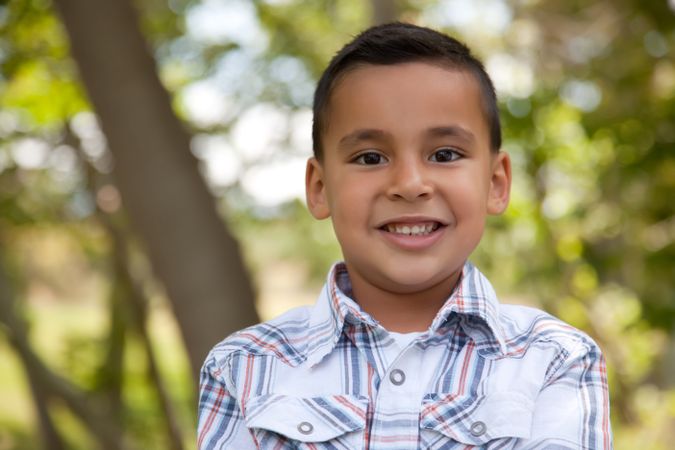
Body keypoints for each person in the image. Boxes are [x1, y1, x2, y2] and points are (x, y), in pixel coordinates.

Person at [197, 22, 612, 449]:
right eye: (371, 157)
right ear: (320, 189)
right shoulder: (245, 367)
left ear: (496, 182)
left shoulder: (554, 360)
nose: (410, 183)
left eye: (445, 154)